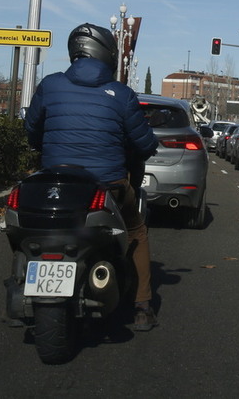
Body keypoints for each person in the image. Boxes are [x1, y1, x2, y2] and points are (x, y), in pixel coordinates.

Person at [24, 23, 159, 332]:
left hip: (55, 183)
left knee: (28, 227)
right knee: (136, 230)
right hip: (106, 186)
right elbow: (145, 145)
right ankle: (141, 307)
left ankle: (23, 277)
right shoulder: (121, 94)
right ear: (107, 54)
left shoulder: (50, 85)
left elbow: (32, 129)